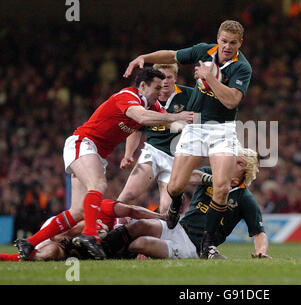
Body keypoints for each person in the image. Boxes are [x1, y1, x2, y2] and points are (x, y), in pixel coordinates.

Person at [14, 67, 194, 260]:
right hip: (83, 143)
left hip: (95, 154)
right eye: (157, 88)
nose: (160, 93)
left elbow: (170, 124)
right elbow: (142, 118)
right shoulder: (128, 96)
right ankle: (90, 236)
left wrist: (199, 122)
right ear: (142, 86)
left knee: (78, 212)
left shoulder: (152, 107)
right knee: (98, 185)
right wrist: (176, 116)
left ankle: (30, 242)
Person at [123, 20, 253, 258]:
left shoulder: (242, 68)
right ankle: (175, 204)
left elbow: (232, 101)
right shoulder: (204, 50)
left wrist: (209, 77)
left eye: (232, 43)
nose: (226, 46)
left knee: (222, 187)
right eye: (223, 41)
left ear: (240, 43)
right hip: (195, 130)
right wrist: (145, 56)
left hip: (222, 129)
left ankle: (208, 245)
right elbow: (172, 54)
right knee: (174, 187)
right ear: (218, 38)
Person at [101, 146, 270, 260]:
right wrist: (213, 180)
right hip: (179, 227)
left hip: (193, 246)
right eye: (233, 159)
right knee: (139, 226)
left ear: (246, 172)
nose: (233, 164)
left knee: (142, 243)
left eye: (239, 163)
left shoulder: (245, 198)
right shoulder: (211, 173)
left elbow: (259, 232)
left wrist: (261, 251)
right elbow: (188, 177)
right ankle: (99, 249)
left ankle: (113, 256)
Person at [117, 64, 193, 214]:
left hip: (176, 158)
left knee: (166, 209)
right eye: (162, 78)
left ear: (175, 78)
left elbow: (196, 120)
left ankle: (158, 234)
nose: (165, 82)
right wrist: (128, 154)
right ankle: (111, 229)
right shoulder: (147, 98)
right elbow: (136, 128)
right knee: (127, 196)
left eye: (169, 77)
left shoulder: (190, 95)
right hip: (153, 152)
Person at [3, 199, 165, 261]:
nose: (129, 221)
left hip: (71, 242)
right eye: (128, 218)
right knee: (48, 251)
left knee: (54, 255)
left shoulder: (121, 234)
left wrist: (139, 254)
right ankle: (8, 256)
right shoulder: (105, 209)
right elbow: (59, 235)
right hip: (56, 231)